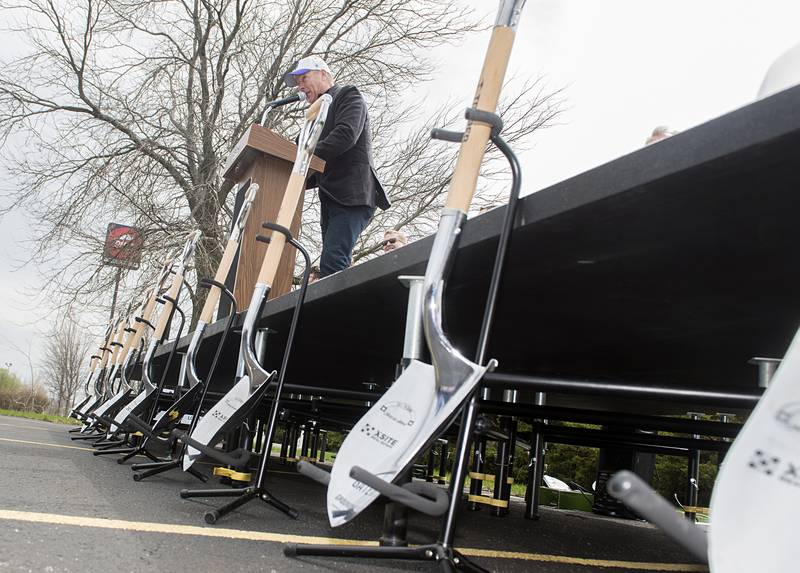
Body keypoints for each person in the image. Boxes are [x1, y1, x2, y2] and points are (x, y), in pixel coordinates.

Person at [284, 56, 390, 277]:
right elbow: (314, 164)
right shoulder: (314, 117)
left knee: (332, 262)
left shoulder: (347, 95)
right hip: (331, 197)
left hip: (353, 195)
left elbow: (346, 135)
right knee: (333, 262)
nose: (300, 86)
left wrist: (302, 155)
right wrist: (283, 174)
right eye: (297, 83)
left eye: (304, 78)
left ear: (323, 74)